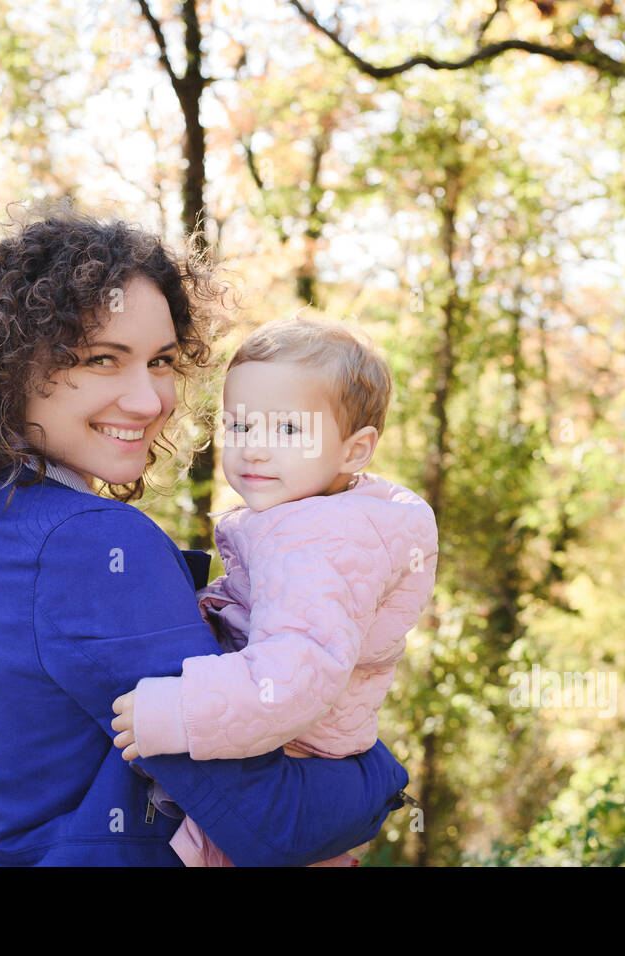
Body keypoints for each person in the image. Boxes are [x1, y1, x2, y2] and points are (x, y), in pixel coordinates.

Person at [0, 203, 411, 865]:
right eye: (104, 358)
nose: (148, 399)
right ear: (10, 365)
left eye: (160, 361)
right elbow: (271, 822)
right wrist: (382, 778)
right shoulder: (87, 545)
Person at [109, 318, 438, 867]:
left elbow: (292, 678)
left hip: (294, 751)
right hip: (298, 746)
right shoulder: (317, 516)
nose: (255, 451)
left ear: (355, 451)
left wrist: (181, 710)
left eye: (288, 431)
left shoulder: (318, 540)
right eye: (239, 427)